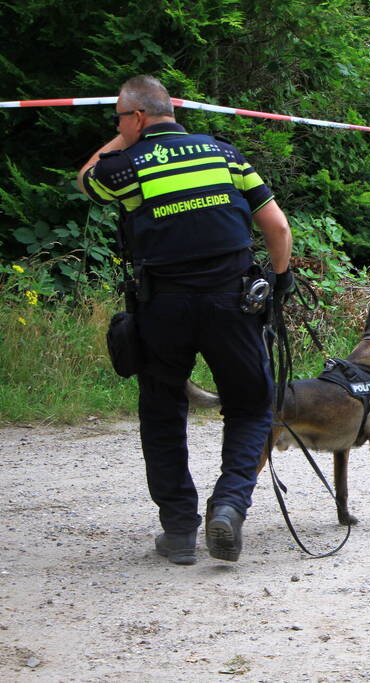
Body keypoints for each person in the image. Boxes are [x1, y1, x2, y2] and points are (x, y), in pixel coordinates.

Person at [77, 75, 293, 565]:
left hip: (163, 307)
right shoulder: (226, 155)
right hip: (233, 304)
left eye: (120, 117)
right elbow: (277, 226)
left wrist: (124, 136)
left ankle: (178, 532)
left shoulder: (127, 164)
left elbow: (86, 177)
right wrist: (280, 281)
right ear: (172, 109)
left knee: (162, 411)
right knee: (250, 404)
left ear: (134, 117)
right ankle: (230, 507)